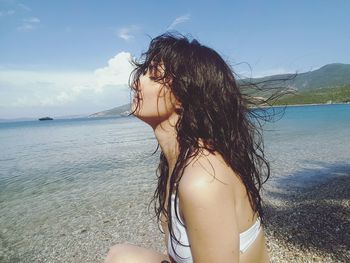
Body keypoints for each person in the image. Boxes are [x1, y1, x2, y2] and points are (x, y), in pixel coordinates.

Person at [105, 33, 270, 263]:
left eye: (152, 75)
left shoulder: (202, 180)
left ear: (183, 96)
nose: (136, 82)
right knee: (119, 255)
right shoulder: (176, 162)